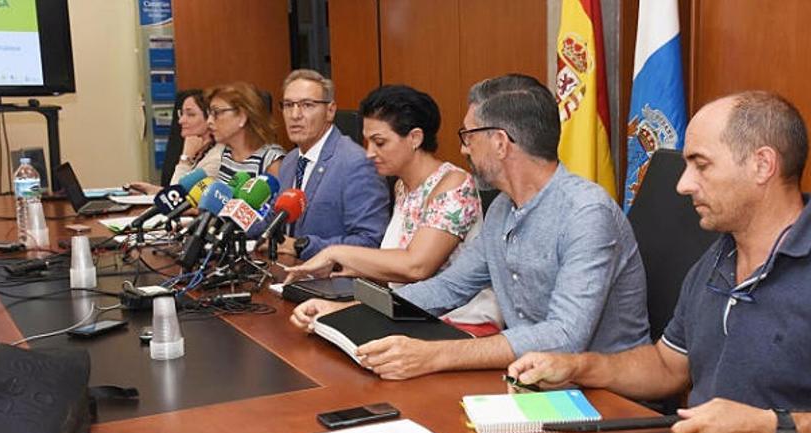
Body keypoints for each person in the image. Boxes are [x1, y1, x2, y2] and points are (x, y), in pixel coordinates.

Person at [507, 91, 811, 433]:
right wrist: (580, 368)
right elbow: (669, 366)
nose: (683, 185)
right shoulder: (715, 259)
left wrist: (771, 429)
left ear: (762, 165)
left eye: (700, 165)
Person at [291, 74, 649, 380]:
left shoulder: (586, 213)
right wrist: (350, 308)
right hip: (531, 378)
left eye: (468, 136)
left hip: (604, 395)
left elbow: (565, 335)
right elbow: (447, 288)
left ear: (500, 142)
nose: (463, 149)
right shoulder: (503, 210)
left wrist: (436, 356)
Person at [285, 84, 502, 331]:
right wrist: (348, 268)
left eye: (379, 142)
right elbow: (397, 266)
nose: (369, 153)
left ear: (415, 138)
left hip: (462, 322)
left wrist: (336, 252)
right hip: (408, 313)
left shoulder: (454, 183)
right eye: (367, 142)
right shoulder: (402, 185)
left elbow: (416, 266)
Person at [274, 69, 390, 260]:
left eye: (307, 105)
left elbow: (370, 241)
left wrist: (301, 246)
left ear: (330, 111)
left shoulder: (356, 163)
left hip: (333, 282)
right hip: (288, 273)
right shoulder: (290, 160)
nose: (294, 115)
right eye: (288, 105)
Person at [128, 90, 224, 194]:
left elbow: (175, 197)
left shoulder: (216, 159)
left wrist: (185, 158)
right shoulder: (203, 152)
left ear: (210, 119)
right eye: (181, 114)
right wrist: (152, 191)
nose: (181, 121)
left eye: (190, 114)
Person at [205, 82, 285, 182]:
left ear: (242, 117)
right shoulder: (227, 153)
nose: (209, 121)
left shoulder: (271, 160)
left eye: (216, 113)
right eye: (209, 114)